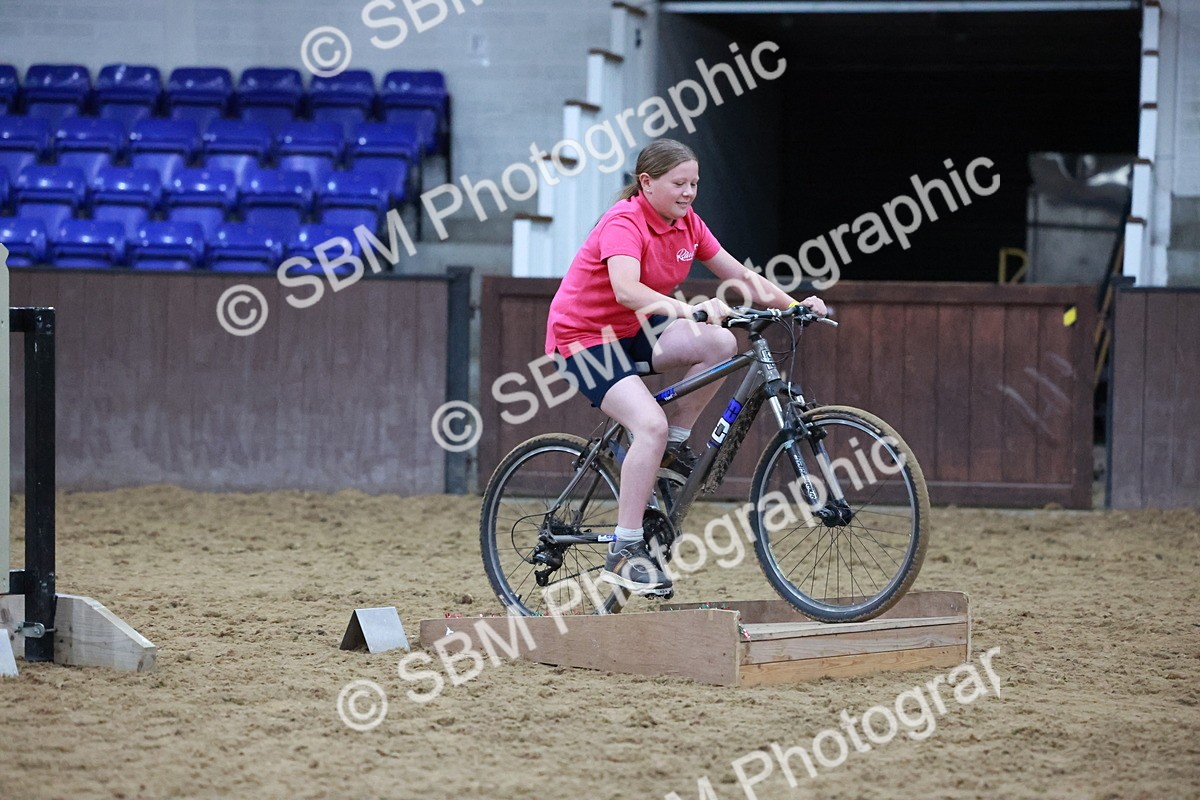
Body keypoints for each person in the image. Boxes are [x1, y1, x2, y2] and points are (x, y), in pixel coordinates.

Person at [544, 138, 827, 594]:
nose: (689, 192)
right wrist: (686, 310)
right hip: (585, 340)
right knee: (648, 426)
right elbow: (626, 291)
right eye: (679, 183)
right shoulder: (624, 220)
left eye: (694, 183)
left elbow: (741, 276)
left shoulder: (688, 225)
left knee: (719, 341)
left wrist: (795, 305)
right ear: (647, 182)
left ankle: (674, 449)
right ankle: (625, 550)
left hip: (637, 331)